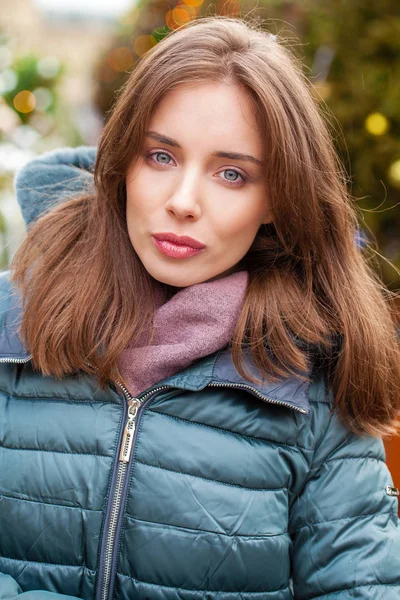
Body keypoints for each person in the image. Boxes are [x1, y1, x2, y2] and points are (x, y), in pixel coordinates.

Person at [1, 15, 400, 600]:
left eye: (232, 174)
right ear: (121, 166)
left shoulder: (313, 381)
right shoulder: (12, 319)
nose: (183, 202)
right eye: (160, 157)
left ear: (276, 199)